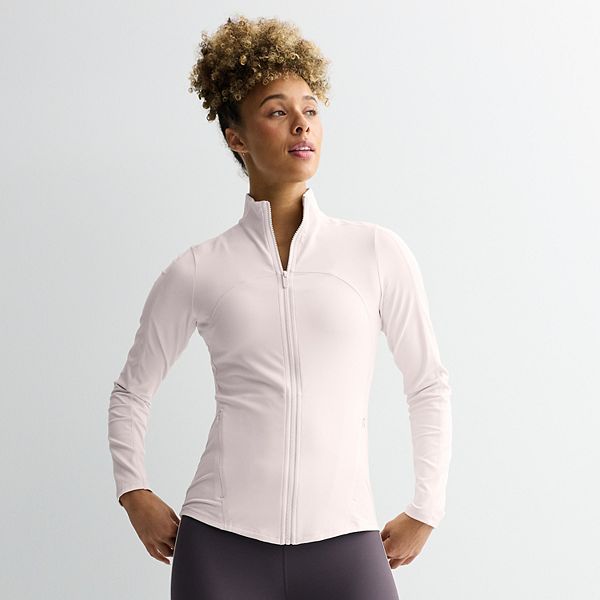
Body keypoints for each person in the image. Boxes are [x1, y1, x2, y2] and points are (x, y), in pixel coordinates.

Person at [107, 14, 452, 600]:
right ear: (236, 138)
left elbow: (427, 383)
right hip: (221, 547)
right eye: (276, 111)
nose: (301, 123)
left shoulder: (375, 252)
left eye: (310, 109)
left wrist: (427, 505)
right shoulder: (199, 269)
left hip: (346, 542)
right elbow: (131, 391)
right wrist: (133, 489)